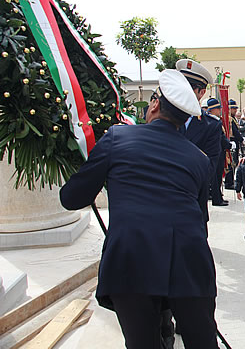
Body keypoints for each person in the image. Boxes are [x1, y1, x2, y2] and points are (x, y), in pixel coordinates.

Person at [60, 70, 217, 348]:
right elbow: (200, 220)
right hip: (189, 261)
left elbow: (71, 198)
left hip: (133, 261)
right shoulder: (199, 159)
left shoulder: (117, 139)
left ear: (154, 104)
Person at [176, 59, 222, 220]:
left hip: (192, 205)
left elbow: (208, 168)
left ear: (200, 93)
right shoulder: (162, 117)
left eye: (188, 88)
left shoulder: (211, 126)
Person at [207, 98, 231, 206]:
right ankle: (217, 199)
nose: (220, 110)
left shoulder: (212, 120)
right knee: (216, 177)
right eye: (218, 108)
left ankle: (218, 196)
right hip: (215, 152)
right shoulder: (212, 121)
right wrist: (229, 145)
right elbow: (220, 137)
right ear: (212, 110)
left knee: (217, 176)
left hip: (216, 151)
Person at [224, 99, 244, 190]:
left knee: (234, 163)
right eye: (233, 108)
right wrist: (241, 139)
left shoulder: (233, 118)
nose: (235, 110)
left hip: (235, 142)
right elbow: (235, 132)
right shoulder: (229, 119)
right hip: (231, 142)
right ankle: (229, 182)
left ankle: (230, 180)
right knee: (231, 163)